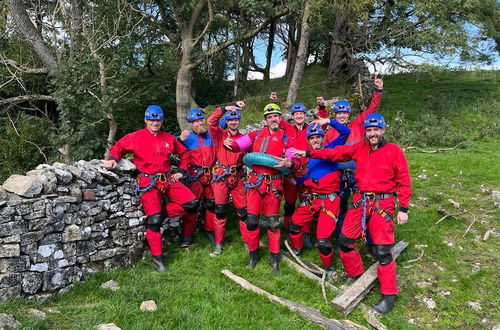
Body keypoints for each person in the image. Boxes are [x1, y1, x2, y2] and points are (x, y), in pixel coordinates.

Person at [293, 113, 411, 314]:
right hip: (361, 200)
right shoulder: (360, 148)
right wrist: (307, 153)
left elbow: (404, 179)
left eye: (376, 130)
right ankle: (355, 273)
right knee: (346, 240)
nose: (372, 134)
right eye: (369, 130)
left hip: (383, 203)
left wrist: (404, 208)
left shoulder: (393, 151)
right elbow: (334, 153)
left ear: (382, 130)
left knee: (382, 251)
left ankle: (389, 295)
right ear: (365, 132)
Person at [103, 105, 198, 272]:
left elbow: (185, 154)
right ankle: (158, 261)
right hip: (148, 182)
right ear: (146, 120)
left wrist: (182, 171)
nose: (155, 122)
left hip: (168, 178)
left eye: (158, 120)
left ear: (161, 121)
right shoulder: (135, 137)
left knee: (192, 203)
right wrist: (112, 158)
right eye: (152, 120)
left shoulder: (168, 138)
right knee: (154, 224)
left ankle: (160, 215)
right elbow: (118, 147)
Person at [275, 119, 350, 280]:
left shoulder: (331, 150)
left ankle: (329, 268)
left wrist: (329, 121)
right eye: (312, 138)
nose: (315, 140)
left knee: (322, 241)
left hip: (329, 201)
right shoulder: (309, 160)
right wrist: (295, 178)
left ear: (323, 138)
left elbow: (346, 132)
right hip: (312, 200)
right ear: (308, 141)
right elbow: (309, 177)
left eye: (318, 137)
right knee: (294, 224)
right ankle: (296, 249)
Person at [224, 103, 290, 274]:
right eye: (269, 117)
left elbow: (291, 159)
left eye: (275, 116)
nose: (273, 119)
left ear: (280, 117)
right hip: (255, 184)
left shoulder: (286, 137)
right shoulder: (257, 134)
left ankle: (274, 260)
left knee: (274, 224)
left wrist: (289, 162)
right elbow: (237, 145)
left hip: (274, 185)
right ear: (266, 120)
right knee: (251, 221)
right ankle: (253, 257)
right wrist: (227, 143)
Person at [322, 75, 384, 238]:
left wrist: (377, 91)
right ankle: (341, 236)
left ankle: (368, 235)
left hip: (358, 173)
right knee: (341, 206)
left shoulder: (358, 125)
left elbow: (372, 110)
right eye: (339, 113)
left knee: (364, 203)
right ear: (335, 115)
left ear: (349, 114)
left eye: (345, 113)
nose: (342, 116)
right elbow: (327, 153)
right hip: (339, 175)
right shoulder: (330, 133)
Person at [206, 102, 248, 255]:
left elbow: (249, 156)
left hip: (238, 176)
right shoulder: (219, 134)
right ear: (227, 122)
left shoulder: (244, 139)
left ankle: (247, 241)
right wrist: (224, 109)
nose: (233, 122)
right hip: (221, 177)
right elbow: (211, 121)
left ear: (239, 121)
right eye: (230, 120)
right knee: (220, 211)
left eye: (236, 119)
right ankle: (218, 245)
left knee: (243, 212)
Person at [178, 108, 216, 248]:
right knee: (192, 206)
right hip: (195, 176)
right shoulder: (186, 137)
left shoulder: (211, 135)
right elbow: (172, 148)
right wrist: (179, 140)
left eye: (200, 120)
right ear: (190, 123)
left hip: (211, 174)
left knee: (212, 204)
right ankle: (187, 236)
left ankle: (210, 231)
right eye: (195, 121)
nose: (199, 123)